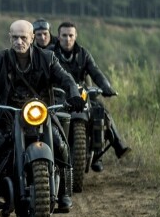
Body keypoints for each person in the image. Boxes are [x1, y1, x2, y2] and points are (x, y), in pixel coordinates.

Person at [0, 20, 85, 212]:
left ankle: (65, 192)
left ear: (32, 38)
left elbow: (66, 79)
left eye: (23, 37)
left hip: (40, 113)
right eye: (15, 37)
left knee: (60, 146)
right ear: (9, 38)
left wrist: (74, 94)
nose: (19, 42)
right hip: (8, 114)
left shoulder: (48, 58)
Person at [53, 21, 131, 172]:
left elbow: (96, 72)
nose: (67, 39)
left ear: (75, 36)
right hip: (58, 94)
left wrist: (106, 87)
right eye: (64, 35)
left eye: (70, 35)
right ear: (58, 37)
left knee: (100, 111)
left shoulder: (83, 54)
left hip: (81, 93)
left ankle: (104, 152)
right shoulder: (51, 53)